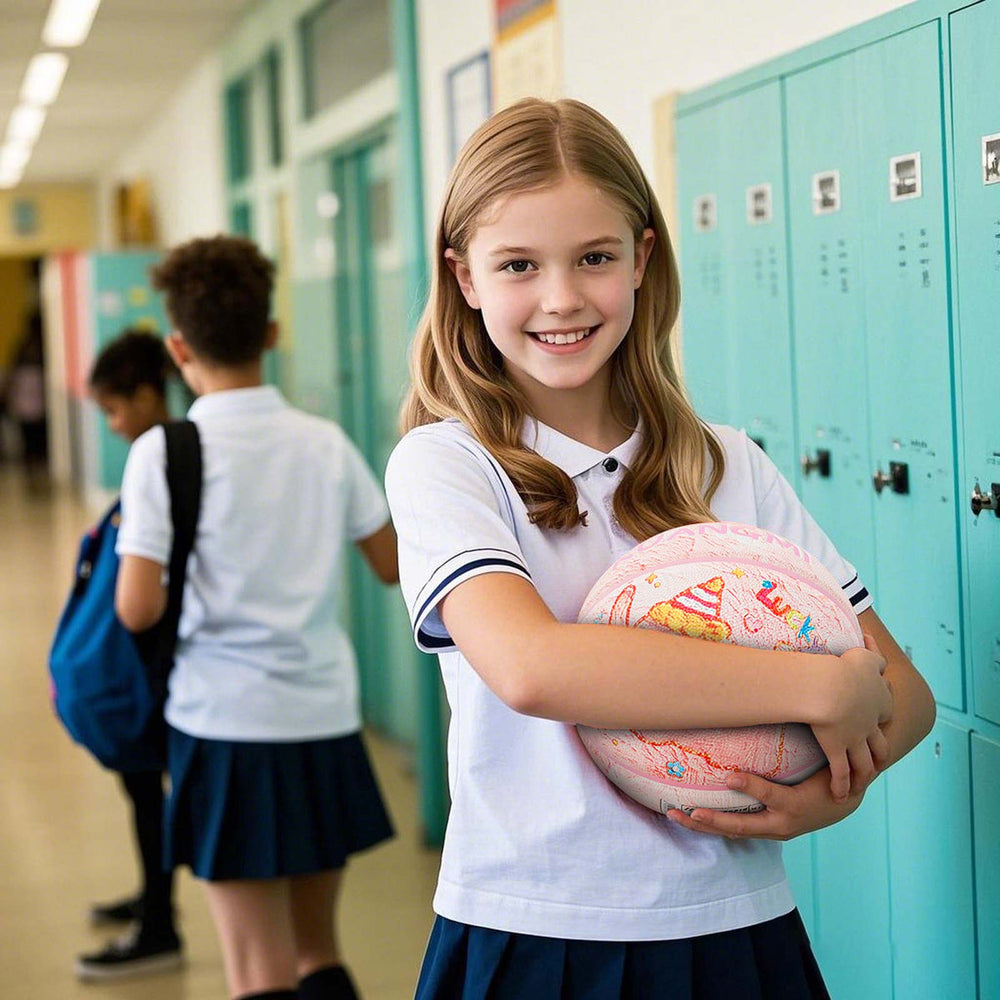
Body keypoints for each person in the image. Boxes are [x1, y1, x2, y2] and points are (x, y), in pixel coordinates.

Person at [384, 98, 937, 999]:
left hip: (735, 923)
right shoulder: (447, 465)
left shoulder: (726, 464)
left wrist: (834, 791)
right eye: (518, 265)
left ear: (642, 258)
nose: (561, 298)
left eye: (594, 258)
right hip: (536, 928)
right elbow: (532, 668)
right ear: (466, 278)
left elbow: (903, 695)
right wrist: (813, 686)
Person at [114, 235, 398, 1000]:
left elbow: (136, 607)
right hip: (320, 717)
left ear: (178, 347)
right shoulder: (324, 444)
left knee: (255, 970)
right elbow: (391, 562)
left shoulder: (162, 454)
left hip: (224, 724)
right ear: (271, 334)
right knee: (318, 952)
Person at [75, 328, 184, 980]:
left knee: (149, 791)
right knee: (141, 792)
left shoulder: (162, 457)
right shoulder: (166, 452)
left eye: (116, 409)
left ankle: (159, 923)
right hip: (153, 659)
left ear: (148, 395)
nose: (114, 426)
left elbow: (143, 594)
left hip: (160, 663)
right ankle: (151, 898)